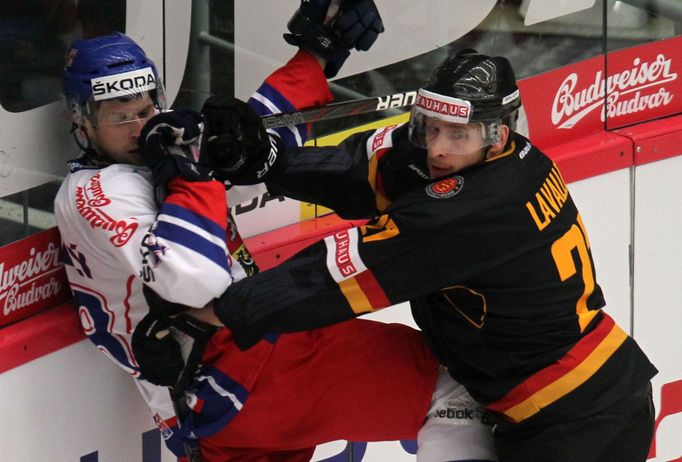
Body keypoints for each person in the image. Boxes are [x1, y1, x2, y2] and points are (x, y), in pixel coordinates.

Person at [53, 4, 497, 461]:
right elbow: (194, 277)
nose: (140, 125)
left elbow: (251, 145)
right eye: (119, 116)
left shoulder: (156, 153)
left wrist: (317, 54)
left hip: (219, 403)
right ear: (82, 121)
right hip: (242, 366)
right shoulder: (95, 194)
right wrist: (191, 173)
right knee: (453, 395)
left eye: (146, 107)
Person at [207, 48, 659, 462]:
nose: (438, 148)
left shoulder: (476, 209)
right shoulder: (498, 157)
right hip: (577, 397)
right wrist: (266, 161)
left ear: (498, 134)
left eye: (458, 134)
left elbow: (336, 275)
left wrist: (213, 314)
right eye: (430, 126)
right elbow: (363, 171)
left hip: (578, 422)